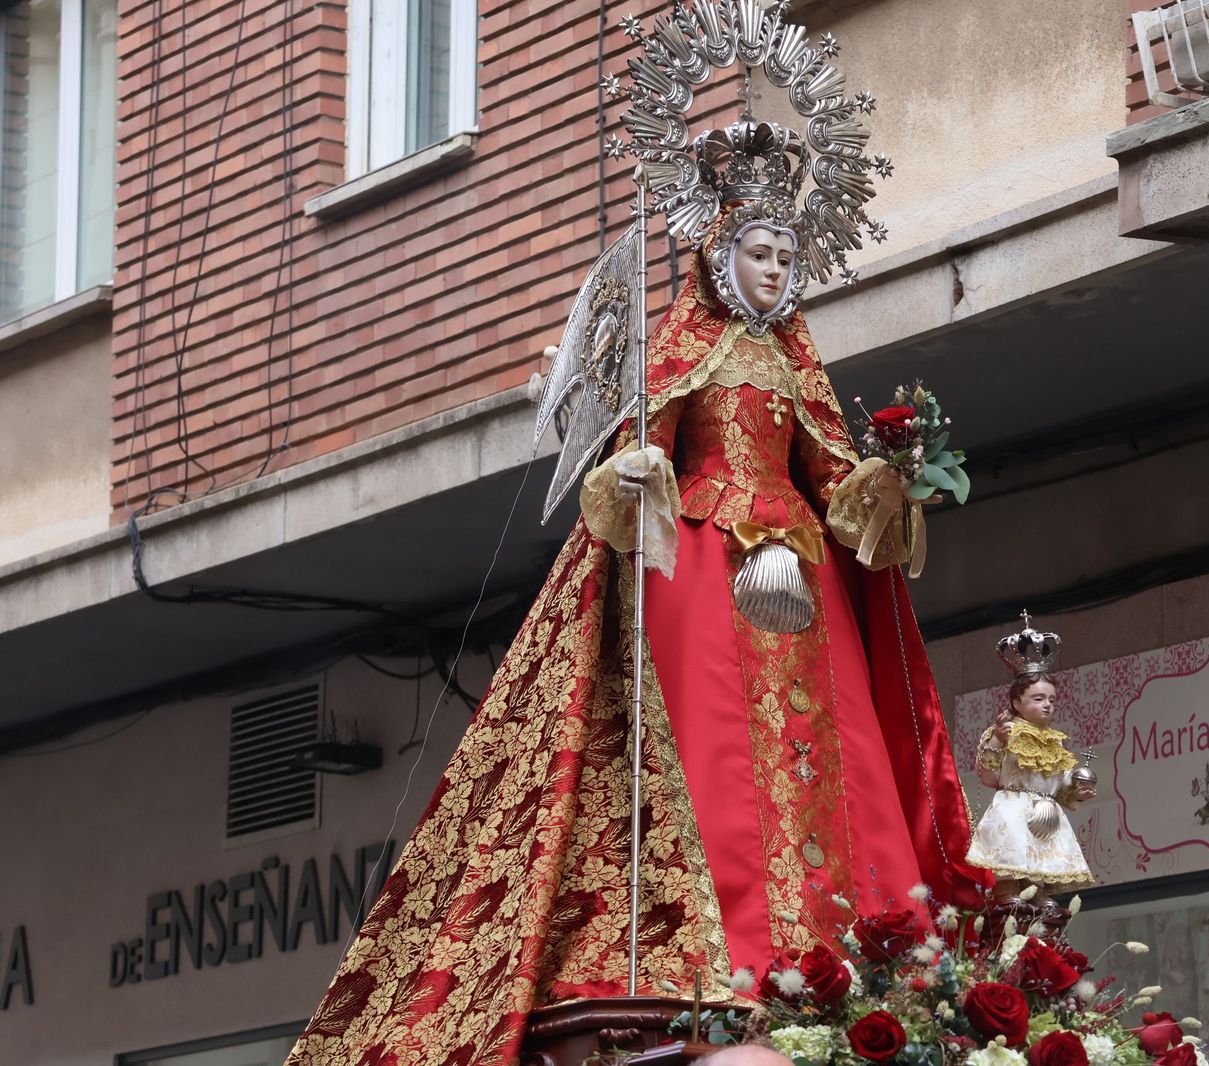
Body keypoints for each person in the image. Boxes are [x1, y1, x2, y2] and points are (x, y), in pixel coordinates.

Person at [285, 110, 988, 1066]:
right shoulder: (684, 349)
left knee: (830, 752)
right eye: (760, 252)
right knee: (711, 748)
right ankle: (723, 949)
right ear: (717, 251)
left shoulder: (794, 366)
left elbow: (836, 482)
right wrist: (633, 474)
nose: (777, 270)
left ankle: (844, 953)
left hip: (799, 580)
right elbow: (636, 455)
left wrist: (889, 480)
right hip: (699, 561)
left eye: (787, 254)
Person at [967, 619, 1096, 897]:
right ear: (1017, 702)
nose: (1047, 704)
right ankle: (1007, 891)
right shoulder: (1006, 731)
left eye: (1051, 699)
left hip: (1046, 814)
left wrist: (1076, 791)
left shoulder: (1054, 740)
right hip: (1013, 808)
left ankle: (1038, 895)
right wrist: (998, 741)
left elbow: (1059, 785)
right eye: (1038, 699)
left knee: (1042, 865)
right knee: (1013, 858)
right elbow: (989, 776)